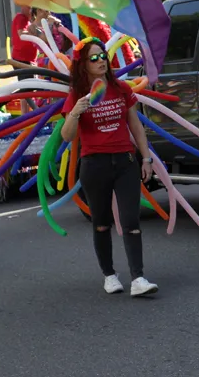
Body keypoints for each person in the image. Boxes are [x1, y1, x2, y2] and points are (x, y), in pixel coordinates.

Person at [60, 37, 158, 297]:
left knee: (131, 220)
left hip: (125, 161)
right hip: (94, 165)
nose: (101, 60)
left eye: (102, 55)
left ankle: (138, 278)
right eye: (93, 58)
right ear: (83, 64)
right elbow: (67, 136)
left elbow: (135, 125)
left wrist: (146, 158)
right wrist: (76, 112)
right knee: (102, 223)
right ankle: (109, 275)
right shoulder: (77, 95)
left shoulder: (121, 88)